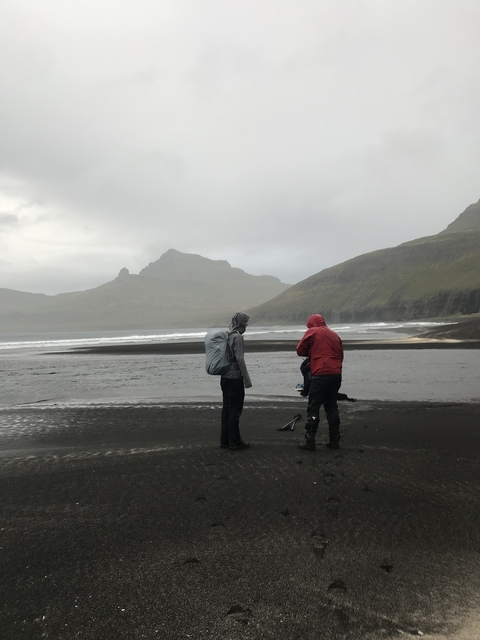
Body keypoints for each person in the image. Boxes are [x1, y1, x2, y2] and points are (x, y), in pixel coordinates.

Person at [296, 314, 344, 451]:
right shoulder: (334, 334)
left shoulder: (313, 331)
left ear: (311, 323)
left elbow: (300, 350)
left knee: (314, 406)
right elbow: (340, 355)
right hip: (336, 373)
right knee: (331, 406)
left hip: (321, 373)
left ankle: (310, 440)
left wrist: (311, 352)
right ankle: (334, 439)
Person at [220, 312, 252, 450]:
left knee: (227, 409)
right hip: (234, 379)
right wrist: (246, 378)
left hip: (225, 377)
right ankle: (234, 441)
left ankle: (224, 441)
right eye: (246, 322)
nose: (247, 324)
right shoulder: (237, 338)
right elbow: (240, 359)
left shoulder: (227, 336)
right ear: (241, 323)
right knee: (235, 410)